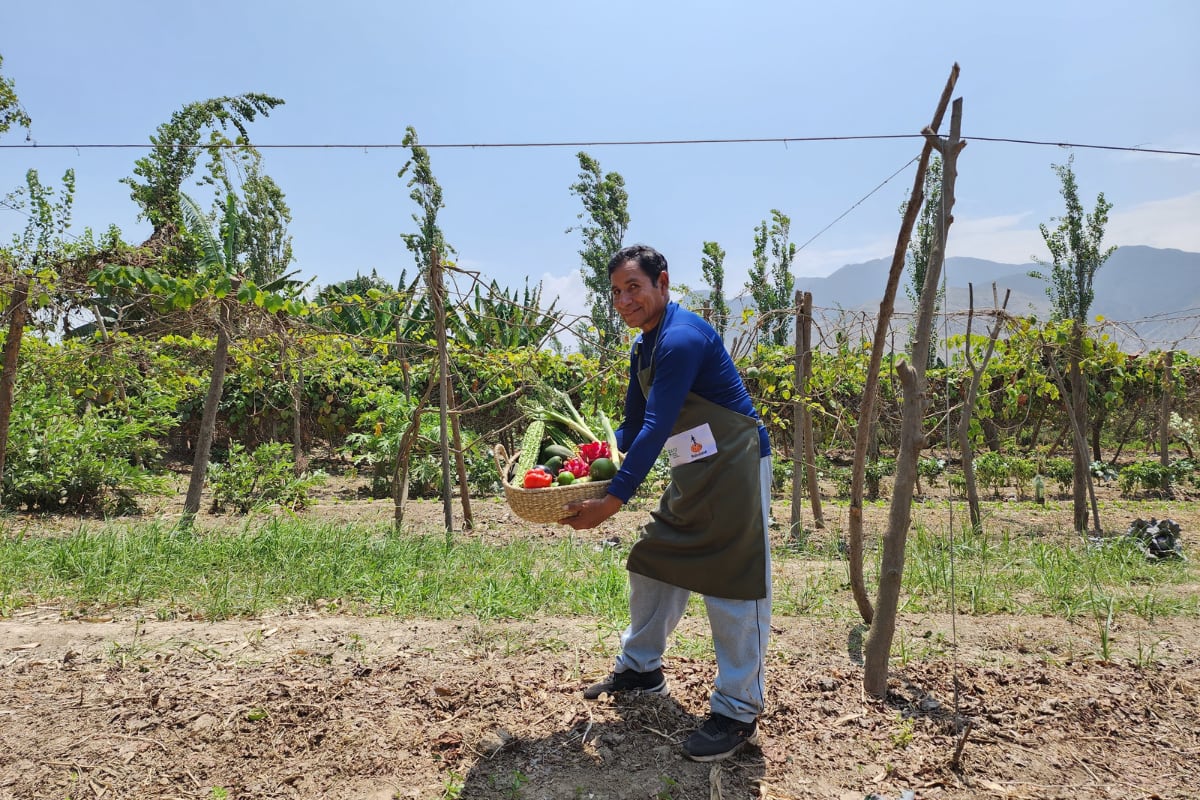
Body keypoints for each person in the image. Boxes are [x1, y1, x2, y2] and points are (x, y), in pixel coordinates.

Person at [562, 244, 772, 763]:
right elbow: (633, 427)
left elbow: (656, 427)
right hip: (693, 468)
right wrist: (586, 461)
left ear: (662, 282)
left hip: (736, 465)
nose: (623, 300)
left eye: (633, 287)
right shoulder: (645, 347)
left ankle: (738, 711)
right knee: (654, 559)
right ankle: (641, 669)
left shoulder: (680, 338)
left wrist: (612, 501)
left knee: (734, 580)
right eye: (616, 292)